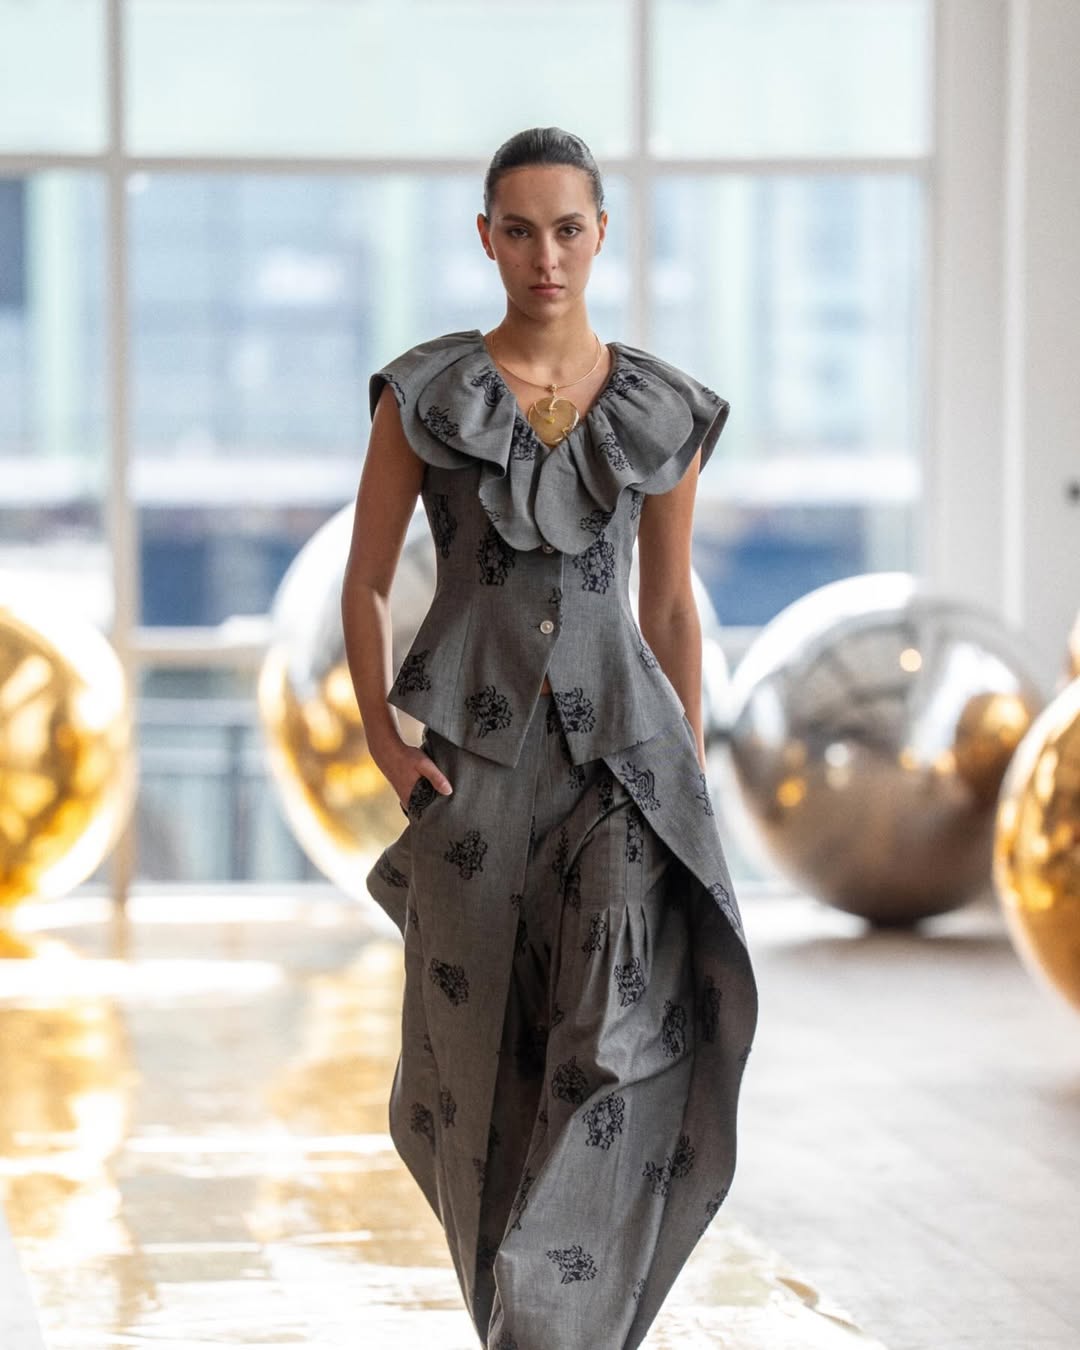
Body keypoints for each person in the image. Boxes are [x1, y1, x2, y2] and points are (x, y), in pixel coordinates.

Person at [341, 126, 759, 1350]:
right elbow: (367, 581)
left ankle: (553, 1319)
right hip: (472, 774)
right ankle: (519, 1312)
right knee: (473, 1070)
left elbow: (668, 608)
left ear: (601, 233)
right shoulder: (424, 396)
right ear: (486, 238)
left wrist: (685, 768)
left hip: (623, 765)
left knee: (617, 1041)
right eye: (519, 231)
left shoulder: (660, 408)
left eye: (568, 229)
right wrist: (383, 742)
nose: (546, 256)